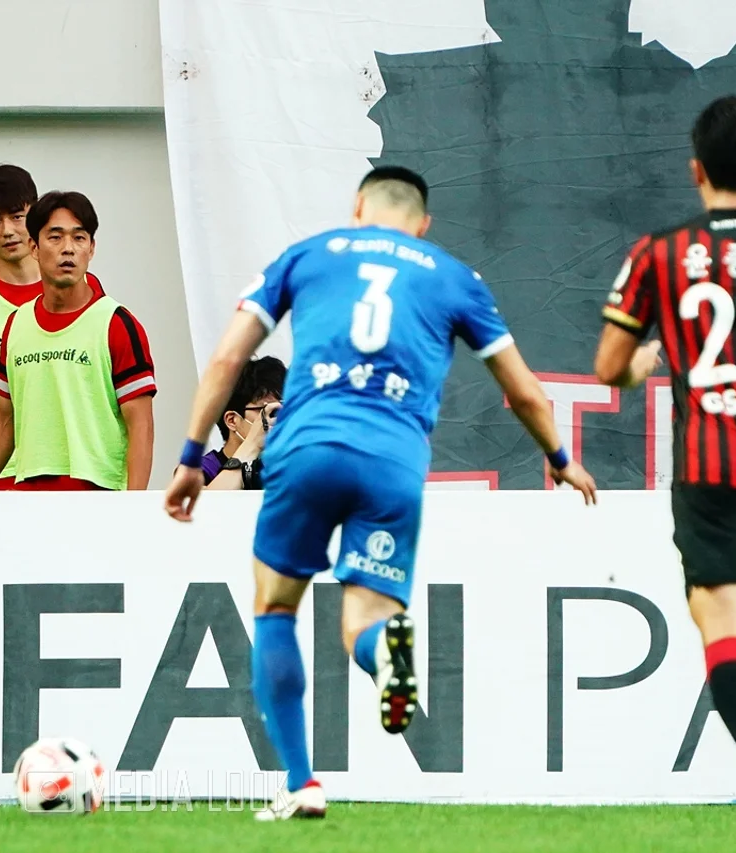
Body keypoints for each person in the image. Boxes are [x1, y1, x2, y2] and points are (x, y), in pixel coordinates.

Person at [164, 166, 597, 821]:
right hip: (393, 463)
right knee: (363, 618)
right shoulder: (454, 276)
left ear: (358, 208)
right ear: (423, 225)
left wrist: (192, 457)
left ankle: (302, 783)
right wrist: (560, 460)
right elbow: (524, 391)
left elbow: (227, 361)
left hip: (305, 451)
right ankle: (380, 648)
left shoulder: (308, 256)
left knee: (276, 609)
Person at [595, 95, 736, 836]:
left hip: (712, 464)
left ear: (696, 171)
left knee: (719, 622)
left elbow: (609, 366)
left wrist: (648, 359)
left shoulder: (660, 251)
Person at [0, 191, 156, 491]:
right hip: (28, 497)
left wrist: (133, 505)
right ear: (34, 246)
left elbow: (141, 425)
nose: (68, 249)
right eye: (55, 237)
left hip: (98, 496)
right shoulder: (17, 324)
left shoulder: (117, 324)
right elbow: (4, 420)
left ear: (91, 248)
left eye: (79, 238)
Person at [0, 166, 105, 490]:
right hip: (0, 480)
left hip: (77, 472)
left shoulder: (87, 289)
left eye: (17, 216)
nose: (8, 231)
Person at [202, 356, 286, 490]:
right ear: (232, 420)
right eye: (271, 411)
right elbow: (209, 502)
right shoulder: (201, 471)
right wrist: (253, 444)